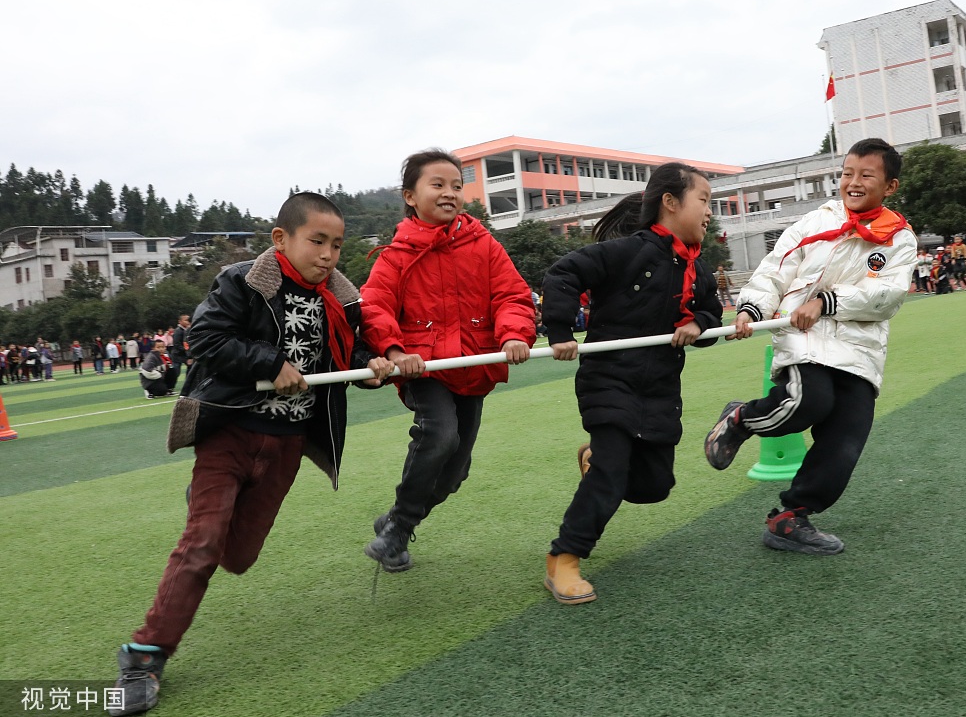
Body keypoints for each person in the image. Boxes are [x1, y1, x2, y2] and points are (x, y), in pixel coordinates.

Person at [109, 191, 392, 717]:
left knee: (238, 558)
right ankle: (145, 654)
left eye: (336, 245)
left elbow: (344, 355)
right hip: (232, 433)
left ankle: (207, 510)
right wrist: (268, 360)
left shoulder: (342, 297)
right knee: (202, 542)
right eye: (317, 241)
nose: (328, 254)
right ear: (281, 239)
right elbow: (209, 340)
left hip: (286, 444)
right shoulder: (242, 281)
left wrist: (373, 364)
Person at [703, 138, 916, 556]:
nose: (853, 183)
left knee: (847, 437)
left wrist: (827, 302)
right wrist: (750, 307)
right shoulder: (814, 222)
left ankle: (790, 518)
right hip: (805, 337)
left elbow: (887, 295)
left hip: (859, 348)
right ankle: (742, 419)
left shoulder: (899, 239)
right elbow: (775, 270)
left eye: (866, 176)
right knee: (808, 401)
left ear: (889, 186)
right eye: (847, 173)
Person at [539, 162, 722, 604]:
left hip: (659, 389)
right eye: (704, 201)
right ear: (671, 202)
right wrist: (561, 331)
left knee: (653, 487)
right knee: (612, 471)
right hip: (609, 380)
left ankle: (595, 462)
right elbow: (562, 275)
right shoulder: (626, 253)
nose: (710, 213)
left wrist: (699, 324)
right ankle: (564, 559)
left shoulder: (698, 270)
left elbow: (713, 317)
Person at [359, 149, 536, 573]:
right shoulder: (394, 256)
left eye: (457, 186)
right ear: (410, 196)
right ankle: (400, 528)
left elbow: (512, 295)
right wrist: (396, 351)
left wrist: (513, 334)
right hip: (425, 369)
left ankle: (394, 520)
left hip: (474, 367)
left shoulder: (484, 245)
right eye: (437, 185)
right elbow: (374, 307)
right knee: (440, 436)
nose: (450, 193)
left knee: (455, 474)